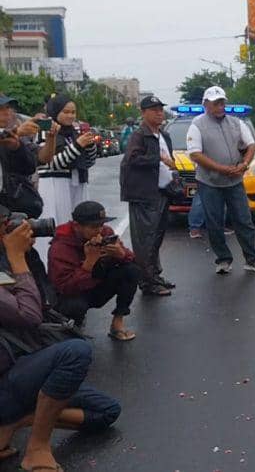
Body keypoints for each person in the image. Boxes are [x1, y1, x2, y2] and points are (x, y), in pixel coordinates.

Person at [0, 218, 121, 472]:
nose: (12, 230)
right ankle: (37, 449)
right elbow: (31, 316)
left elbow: (45, 300)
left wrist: (23, 255)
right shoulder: (55, 248)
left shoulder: (14, 256)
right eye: (4, 225)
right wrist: (16, 257)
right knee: (76, 352)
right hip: (7, 378)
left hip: (22, 366)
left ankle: (16, 421)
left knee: (107, 411)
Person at [186, 86, 255, 274]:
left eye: (222, 102)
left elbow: (251, 144)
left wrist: (245, 163)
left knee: (244, 220)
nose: (220, 106)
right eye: (216, 103)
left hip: (235, 181)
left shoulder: (236, 123)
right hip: (210, 182)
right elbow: (195, 154)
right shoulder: (197, 125)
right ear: (206, 105)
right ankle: (223, 259)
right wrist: (221, 168)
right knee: (214, 222)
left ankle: (252, 259)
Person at [48, 201, 141, 341]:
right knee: (75, 305)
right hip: (71, 295)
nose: (99, 230)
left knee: (131, 270)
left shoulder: (106, 232)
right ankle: (72, 332)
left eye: (101, 224)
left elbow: (131, 258)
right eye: (93, 226)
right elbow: (65, 287)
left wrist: (121, 254)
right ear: (77, 226)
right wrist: (89, 262)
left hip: (97, 285)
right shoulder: (61, 247)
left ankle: (118, 322)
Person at [119, 94, 174, 297]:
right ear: (143, 113)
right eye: (154, 110)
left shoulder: (164, 135)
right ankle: (147, 281)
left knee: (157, 237)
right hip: (143, 194)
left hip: (162, 191)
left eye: (160, 110)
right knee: (145, 240)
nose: (159, 114)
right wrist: (157, 158)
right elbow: (132, 159)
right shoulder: (139, 135)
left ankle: (155, 275)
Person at [35, 95, 99, 259]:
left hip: (77, 181)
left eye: (73, 112)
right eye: (66, 112)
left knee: (78, 226)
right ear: (55, 111)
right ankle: (52, 266)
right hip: (55, 184)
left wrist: (90, 146)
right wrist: (78, 145)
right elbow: (52, 163)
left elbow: (88, 162)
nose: (70, 116)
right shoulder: (46, 130)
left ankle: (75, 263)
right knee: (59, 225)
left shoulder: (73, 132)